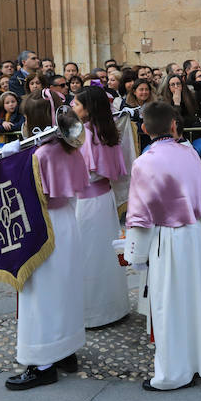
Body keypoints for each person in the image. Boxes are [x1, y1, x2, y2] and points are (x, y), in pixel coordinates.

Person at [121, 101, 201, 391]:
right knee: (194, 300)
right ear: (174, 125)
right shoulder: (190, 152)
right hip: (193, 234)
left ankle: (172, 374)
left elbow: (138, 216)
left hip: (165, 237)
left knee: (167, 306)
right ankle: (199, 360)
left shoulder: (144, 163)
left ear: (144, 128)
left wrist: (135, 256)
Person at [5, 89, 88, 390]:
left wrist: (10, 163)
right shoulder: (69, 148)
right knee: (63, 290)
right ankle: (65, 351)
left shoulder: (40, 154)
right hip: (65, 221)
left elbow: (25, 197)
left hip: (43, 225)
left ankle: (42, 363)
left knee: (40, 296)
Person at [72, 86, 130, 328]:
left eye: (76, 103)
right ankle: (113, 306)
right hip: (104, 199)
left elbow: (79, 171)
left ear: (88, 108)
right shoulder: (108, 132)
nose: (73, 107)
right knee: (106, 254)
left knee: (86, 255)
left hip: (86, 202)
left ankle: (91, 312)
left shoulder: (84, 134)